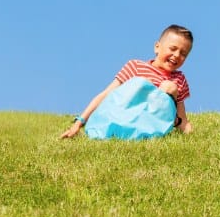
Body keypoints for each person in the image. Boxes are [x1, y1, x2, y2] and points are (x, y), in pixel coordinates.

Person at [61, 25, 194, 138]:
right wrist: (78, 123)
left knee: (169, 87)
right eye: (173, 48)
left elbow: (182, 118)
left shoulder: (179, 80)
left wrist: (191, 134)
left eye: (183, 54)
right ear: (157, 47)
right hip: (124, 117)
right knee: (141, 82)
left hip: (151, 125)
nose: (177, 55)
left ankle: (144, 132)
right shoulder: (135, 66)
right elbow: (106, 94)